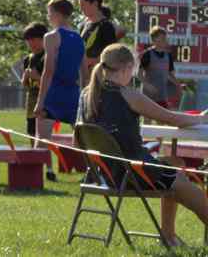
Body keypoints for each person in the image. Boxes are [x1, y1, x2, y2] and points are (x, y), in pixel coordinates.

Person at [78, 43, 208, 248]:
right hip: (132, 173)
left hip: (103, 173)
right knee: (188, 188)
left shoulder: (87, 94)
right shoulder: (128, 95)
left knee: (174, 164)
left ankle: (168, 237)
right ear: (126, 68)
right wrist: (201, 118)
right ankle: (169, 237)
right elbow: (172, 118)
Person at [34, 0, 85, 182]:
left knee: (43, 136)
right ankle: (89, 172)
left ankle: (42, 172)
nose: (48, 17)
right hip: (73, 92)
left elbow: (48, 71)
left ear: (56, 13)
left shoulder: (51, 36)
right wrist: (85, 97)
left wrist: (40, 102)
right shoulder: (79, 38)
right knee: (82, 135)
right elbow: (84, 72)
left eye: (49, 13)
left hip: (54, 91)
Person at [77, 0, 125, 84]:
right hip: (82, 79)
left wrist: (90, 61)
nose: (80, 8)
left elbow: (111, 56)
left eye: (83, 5)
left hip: (99, 80)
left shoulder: (106, 26)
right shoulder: (83, 25)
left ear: (94, 4)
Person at [139, 27, 181, 111]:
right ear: (154, 40)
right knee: (148, 120)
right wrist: (147, 85)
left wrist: (178, 85)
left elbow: (169, 74)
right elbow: (139, 74)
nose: (165, 40)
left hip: (162, 95)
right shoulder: (147, 54)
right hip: (148, 95)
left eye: (165, 38)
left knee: (164, 120)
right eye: (162, 38)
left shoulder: (168, 56)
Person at [20, 22, 47, 146]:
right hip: (31, 102)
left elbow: (51, 81)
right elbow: (25, 85)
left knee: (42, 136)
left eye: (34, 39)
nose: (31, 43)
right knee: (31, 132)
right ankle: (34, 158)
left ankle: (46, 163)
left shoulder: (48, 57)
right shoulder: (28, 59)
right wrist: (25, 78)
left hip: (45, 101)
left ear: (43, 39)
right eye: (28, 40)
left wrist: (37, 77)